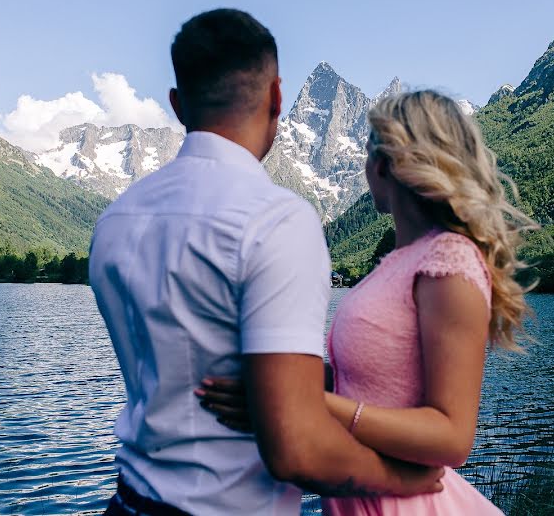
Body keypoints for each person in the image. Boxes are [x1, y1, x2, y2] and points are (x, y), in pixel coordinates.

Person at [89, 9, 444, 516]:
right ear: (278, 97)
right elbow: (296, 449)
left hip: (127, 503)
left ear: (176, 104)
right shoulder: (276, 219)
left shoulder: (115, 221)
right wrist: (410, 480)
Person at [198, 90, 536, 514]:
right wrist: (269, 374)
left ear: (384, 165)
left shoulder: (449, 261)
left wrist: (301, 403)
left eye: (366, 155)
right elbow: (365, 381)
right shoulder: (398, 261)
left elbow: (453, 438)